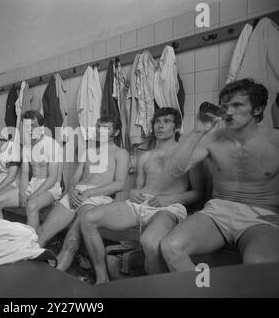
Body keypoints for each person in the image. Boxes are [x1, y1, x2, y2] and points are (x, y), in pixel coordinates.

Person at [161, 79, 279, 271]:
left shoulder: (275, 141)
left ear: (257, 109)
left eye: (237, 105)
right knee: (171, 246)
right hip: (218, 211)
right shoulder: (212, 139)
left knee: (259, 265)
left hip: (261, 214)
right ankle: (203, 291)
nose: (228, 112)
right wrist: (197, 131)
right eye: (225, 106)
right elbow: (174, 170)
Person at [80, 108, 204, 284]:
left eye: (167, 121)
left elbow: (198, 193)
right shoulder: (145, 156)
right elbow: (137, 188)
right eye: (157, 122)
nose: (160, 126)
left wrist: (171, 198)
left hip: (168, 207)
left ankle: (154, 289)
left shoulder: (188, 154)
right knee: (88, 219)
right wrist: (133, 192)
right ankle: (102, 279)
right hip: (140, 204)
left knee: (150, 242)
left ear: (177, 127)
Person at [37, 116, 130, 273]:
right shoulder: (88, 151)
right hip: (77, 192)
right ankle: (25, 270)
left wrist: (89, 193)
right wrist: (72, 189)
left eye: (106, 128)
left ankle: (51, 279)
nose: (100, 131)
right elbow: (75, 177)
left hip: (98, 196)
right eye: (99, 127)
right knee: (42, 232)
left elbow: (119, 184)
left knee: (72, 238)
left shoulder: (121, 153)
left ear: (116, 132)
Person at [0, 110, 63, 226]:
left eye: (33, 126)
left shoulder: (52, 145)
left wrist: (33, 195)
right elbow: (24, 173)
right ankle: (1, 238)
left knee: (31, 205)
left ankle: (31, 242)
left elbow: (53, 178)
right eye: (27, 126)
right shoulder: (27, 148)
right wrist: (22, 193)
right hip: (32, 184)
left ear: (41, 127)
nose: (29, 130)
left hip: (51, 188)